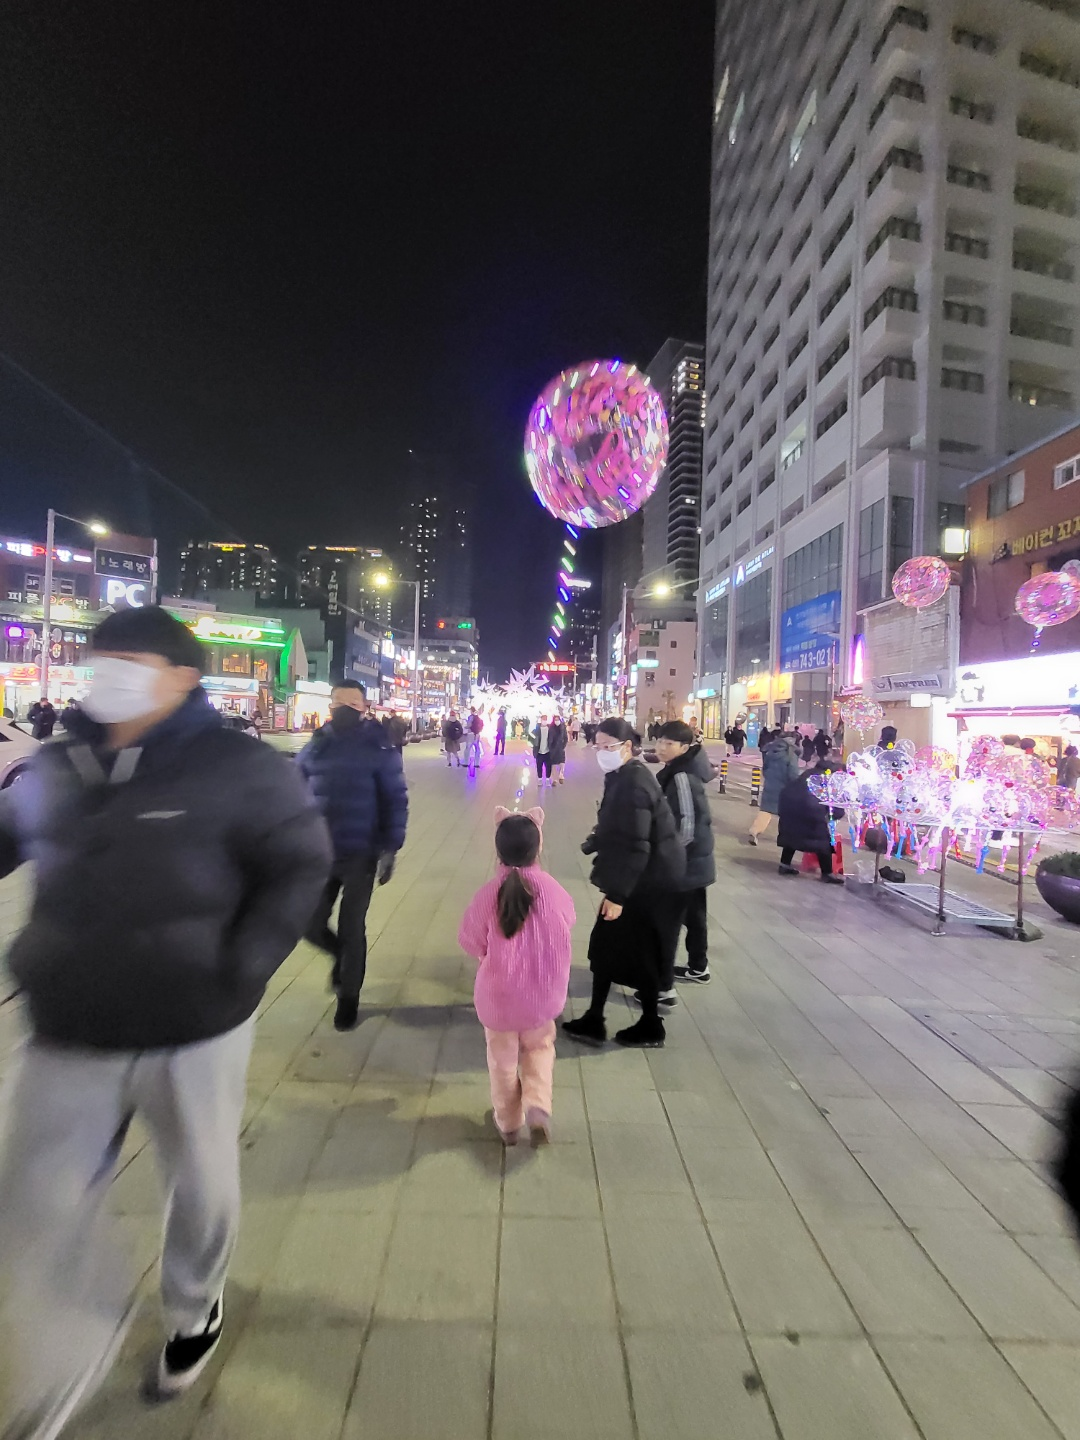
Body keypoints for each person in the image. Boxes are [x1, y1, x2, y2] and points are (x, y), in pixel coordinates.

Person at [0, 606, 331, 1430]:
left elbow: (300, 863)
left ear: (182, 677)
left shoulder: (241, 766)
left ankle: (194, 1307)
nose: (103, 674)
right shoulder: (56, 764)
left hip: (194, 1021)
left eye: (128, 660)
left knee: (202, 1183)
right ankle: (64, 1345)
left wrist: (245, 964)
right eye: (96, 659)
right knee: (35, 1195)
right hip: (67, 1019)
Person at [562, 718, 686, 1049]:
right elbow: (619, 825)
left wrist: (617, 895)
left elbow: (637, 843)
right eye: (598, 746)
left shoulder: (633, 782)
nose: (601, 752)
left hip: (651, 883)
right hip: (642, 878)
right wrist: (596, 840)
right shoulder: (621, 776)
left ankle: (643, 1024)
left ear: (628, 747)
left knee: (627, 951)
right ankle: (598, 1018)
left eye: (608, 747)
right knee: (611, 949)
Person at [459, 807, 575, 1146]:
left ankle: (508, 1122)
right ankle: (538, 1105)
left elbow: (469, 939)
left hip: (499, 1002)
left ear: (498, 851)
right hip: (542, 997)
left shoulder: (487, 895)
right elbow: (568, 921)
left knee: (502, 1062)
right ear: (537, 849)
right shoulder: (553, 891)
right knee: (540, 1048)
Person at [297, 680, 408, 1030]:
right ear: (331, 705)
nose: (345, 706)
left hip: (361, 852)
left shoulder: (379, 745)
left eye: (352, 701)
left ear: (364, 706)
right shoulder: (317, 744)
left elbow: (396, 799)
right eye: (339, 700)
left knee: (351, 926)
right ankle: (341, 958)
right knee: (308, 922)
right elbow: (294, 789)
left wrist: (391, 847)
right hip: (319, 852)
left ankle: (349, 996)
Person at [655, 721, 717, 988]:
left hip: (686, 862)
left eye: (669, 744)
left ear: (684, 747)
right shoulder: (680, 768)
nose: (661, 748)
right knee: (694, 916)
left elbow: (688, 825)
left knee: (669, 920)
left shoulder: (681, 776)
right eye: (659, 741)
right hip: (694, 861)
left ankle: (662, 980)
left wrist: (667, 855)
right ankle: (697, 968)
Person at [776, 759, 846, 884]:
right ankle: (827, 873)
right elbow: (833, 807)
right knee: (823, 842)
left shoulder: (804, 776)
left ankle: (784, 865)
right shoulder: (824, 781)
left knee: (791, 837)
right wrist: (834, 815)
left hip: (789, 814)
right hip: (809, 817)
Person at [750, 731, 800, 845]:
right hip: (784, 788)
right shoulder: (790, 753)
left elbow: (765, 767)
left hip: (770, 784)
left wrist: (768, 778)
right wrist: (796, 784)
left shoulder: (770, 750)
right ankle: (786, 836)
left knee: (765, 811)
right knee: (787, 814)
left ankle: (754, 830)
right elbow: (793, 773)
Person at [532, 713, 555, 787]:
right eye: (543, 719)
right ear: (541, 720)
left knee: (548, 766)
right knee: (539, 766)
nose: (544, 720)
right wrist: (534, 746)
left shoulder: (550, 729)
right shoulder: (536, 730)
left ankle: (548, 779)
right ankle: (540, 780)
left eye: (546, 719)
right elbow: (531, 739)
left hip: (548, 751)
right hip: (539, 752)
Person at [548, 714, 568, 785]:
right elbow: (549, 738)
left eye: (557, 719)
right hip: (553, 748)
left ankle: (561, 775)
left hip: (560, 747)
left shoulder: (562, 727)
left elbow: (566, 737)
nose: (557, 721)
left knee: (562, 762)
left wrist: (563, 745)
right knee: (553, 764)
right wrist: (549, 747)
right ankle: (554, 779)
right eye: (555, 720)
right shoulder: (551, 727)